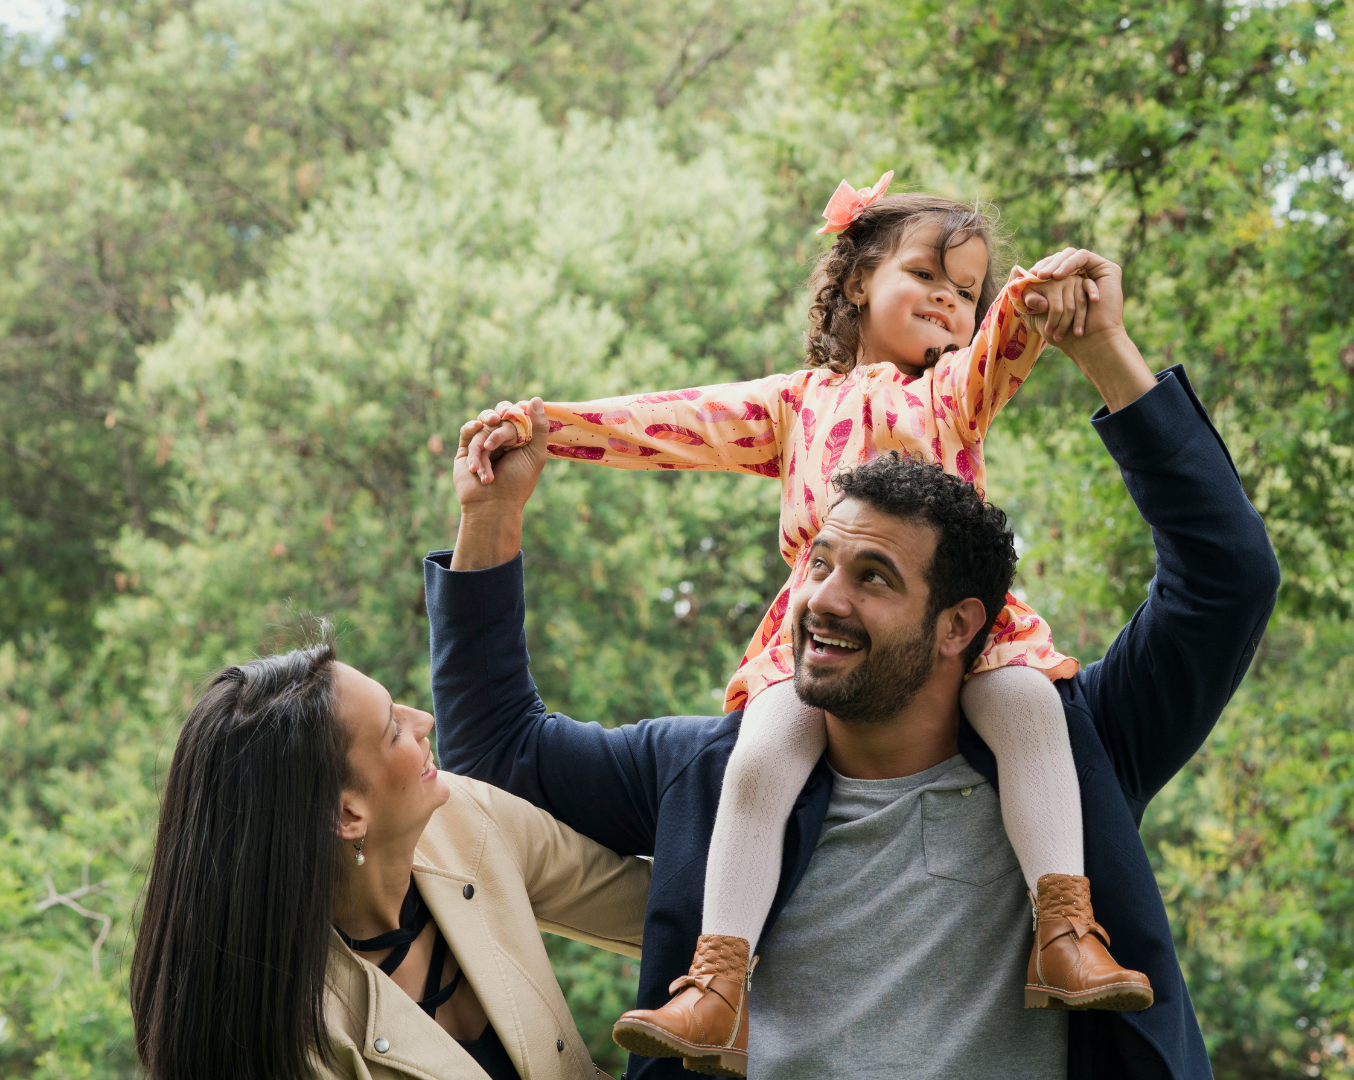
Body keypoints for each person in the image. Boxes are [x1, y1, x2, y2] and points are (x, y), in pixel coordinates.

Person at [430, 248, 1278, 1080]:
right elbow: (498, 761)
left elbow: (1227, 577)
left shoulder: (1078, 750)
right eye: (819, 564)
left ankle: (1065, 935)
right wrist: (493, 518)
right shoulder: (712, 777)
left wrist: (1098, 346)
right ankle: (715, 989)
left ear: (959, 626)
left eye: (874, 577)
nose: (823, 600)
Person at [129, 634, 651, 1080]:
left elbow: (652, 906)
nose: (422, 719)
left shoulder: (465, 818)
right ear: (347, 815)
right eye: (392, 729)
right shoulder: (295, 1044)